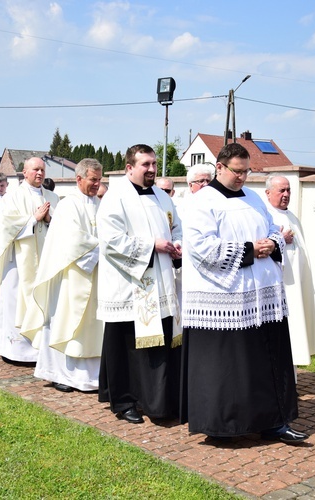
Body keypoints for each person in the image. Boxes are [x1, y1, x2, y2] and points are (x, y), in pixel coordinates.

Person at [180, 144, 306, 443]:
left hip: (262, 294)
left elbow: (274, 229)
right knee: (231, 367)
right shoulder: (202, 201)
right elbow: (201, 247)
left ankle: (274, 421)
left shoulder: (253, 197)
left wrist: (273, 244)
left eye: (246, 171)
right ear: (220, 167)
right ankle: (226, 426)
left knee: (266, 361)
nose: (242, 177)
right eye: (237, 171)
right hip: (225, 296)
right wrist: (251, 249)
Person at [96, 144, 182, 424]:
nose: (152, 169)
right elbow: (110, 240)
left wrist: (177, 245)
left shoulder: (161, 195)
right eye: (146, 164)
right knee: (126, 347)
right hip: (129, 284)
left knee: (161, 344)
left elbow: (176, 226)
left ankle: (159, 400)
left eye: (154, 164)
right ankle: (125, 400)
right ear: (129, 168)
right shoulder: (115, 197)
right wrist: (151, 246)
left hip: (161, 282)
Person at [24, 159, 104, 392]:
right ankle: (59, 373)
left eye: (99, 180)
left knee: (93, 326)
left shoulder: (101, 204)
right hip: (72, 276)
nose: (97, 184)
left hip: (96, 274)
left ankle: (91, 376)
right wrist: (104, 248)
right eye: (93, 180)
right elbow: (71, 240)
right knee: (66, 320)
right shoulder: (69, 205)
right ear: (79, 179)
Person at [0, 157, 59, 363]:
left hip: (46, 261)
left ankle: (41, 350)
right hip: (19, 263)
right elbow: (6, 227)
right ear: (24, 172)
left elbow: (63, 226)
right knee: (16, 301)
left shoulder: (53, 198)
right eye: (35, 169)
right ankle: (16, 351)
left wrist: (49, 219)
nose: (39, 173)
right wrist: (33, 220)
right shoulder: (13, 197)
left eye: (42, 170)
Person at [265, 175, 315, 369]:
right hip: (280, 286)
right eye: (281, 190)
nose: (286, 195)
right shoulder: (265, 215)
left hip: (297, 283)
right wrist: (279, 237)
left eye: (288, 190)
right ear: (268, 192)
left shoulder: (291, 216)